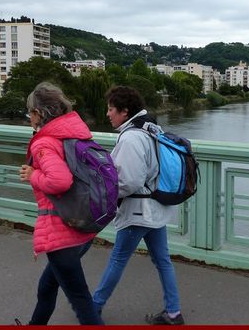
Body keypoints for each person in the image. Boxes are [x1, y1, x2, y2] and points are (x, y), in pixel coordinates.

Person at [92, 85, 184, 325]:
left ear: (124, 111)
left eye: (111, 109)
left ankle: (93, 307)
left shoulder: (132, 137)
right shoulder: (152, 128)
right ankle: (173, 312)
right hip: (155, 206)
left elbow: (128, 181)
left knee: (118, 259)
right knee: (162, 260)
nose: (108, 114)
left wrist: (106, 192)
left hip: (137, 210)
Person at [18, 82, 103, 325]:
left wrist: (33, 175)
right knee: (47, 286)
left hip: (61, 231)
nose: (29, 118)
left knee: (81, 301)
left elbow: (60, 181)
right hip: (81, 224)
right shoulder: (74, 135)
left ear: (39, 113)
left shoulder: (44, 142)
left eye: (30, 113)